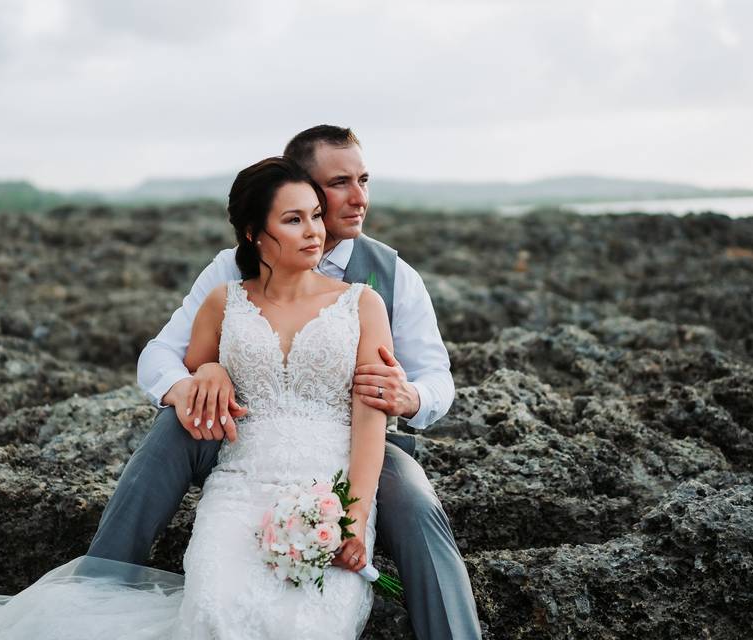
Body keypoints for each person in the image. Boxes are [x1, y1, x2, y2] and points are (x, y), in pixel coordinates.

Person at [0, 157, 391, 639]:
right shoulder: (225, 303)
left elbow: (370, 418)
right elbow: (188, 367)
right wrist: (213, 368)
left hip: (329, 490)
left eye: (315, 215)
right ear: (253, 234)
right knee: (217, 615)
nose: (314, 231)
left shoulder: (362, 304)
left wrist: (351, 516)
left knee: (306, 626)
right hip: (240, 491)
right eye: (293, 220)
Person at [92, 125, 482, 639]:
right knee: (173, 428)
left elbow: (437, 376)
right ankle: (95, 589)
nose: (359, 197)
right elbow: (162, 354)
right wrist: (197, 377)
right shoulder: (230, 271)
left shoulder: (389, 274)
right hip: (244, 432)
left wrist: (413, 396)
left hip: (352, 438)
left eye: (364, 179)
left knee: (413, 497)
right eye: (339, 183)